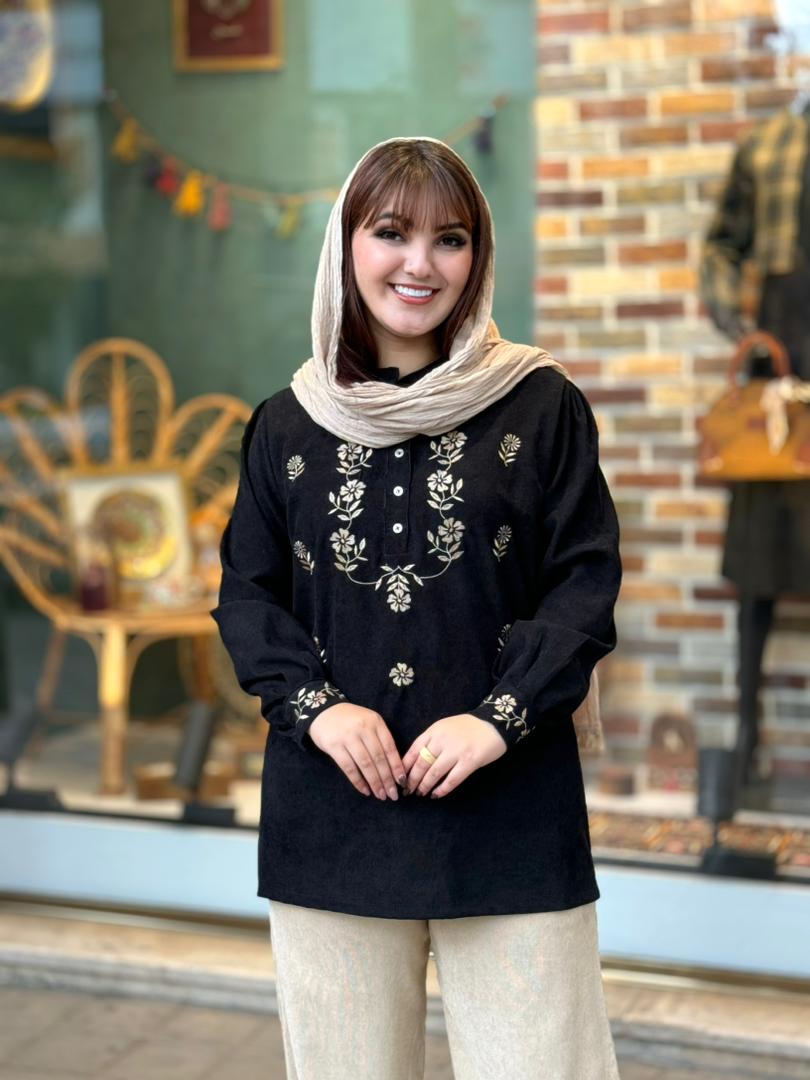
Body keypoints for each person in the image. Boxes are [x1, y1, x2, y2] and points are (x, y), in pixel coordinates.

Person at [212, 136, 622, 1080]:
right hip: (334, 811)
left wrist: (498, 719)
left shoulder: (541, 406)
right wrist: (319, 710)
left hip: (511, 809)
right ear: (345, 244)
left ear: (478, 257)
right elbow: (248, 596)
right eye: (392, 232)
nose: (420, 264)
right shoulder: (286, 424)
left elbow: (584, 584)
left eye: (451, 239)